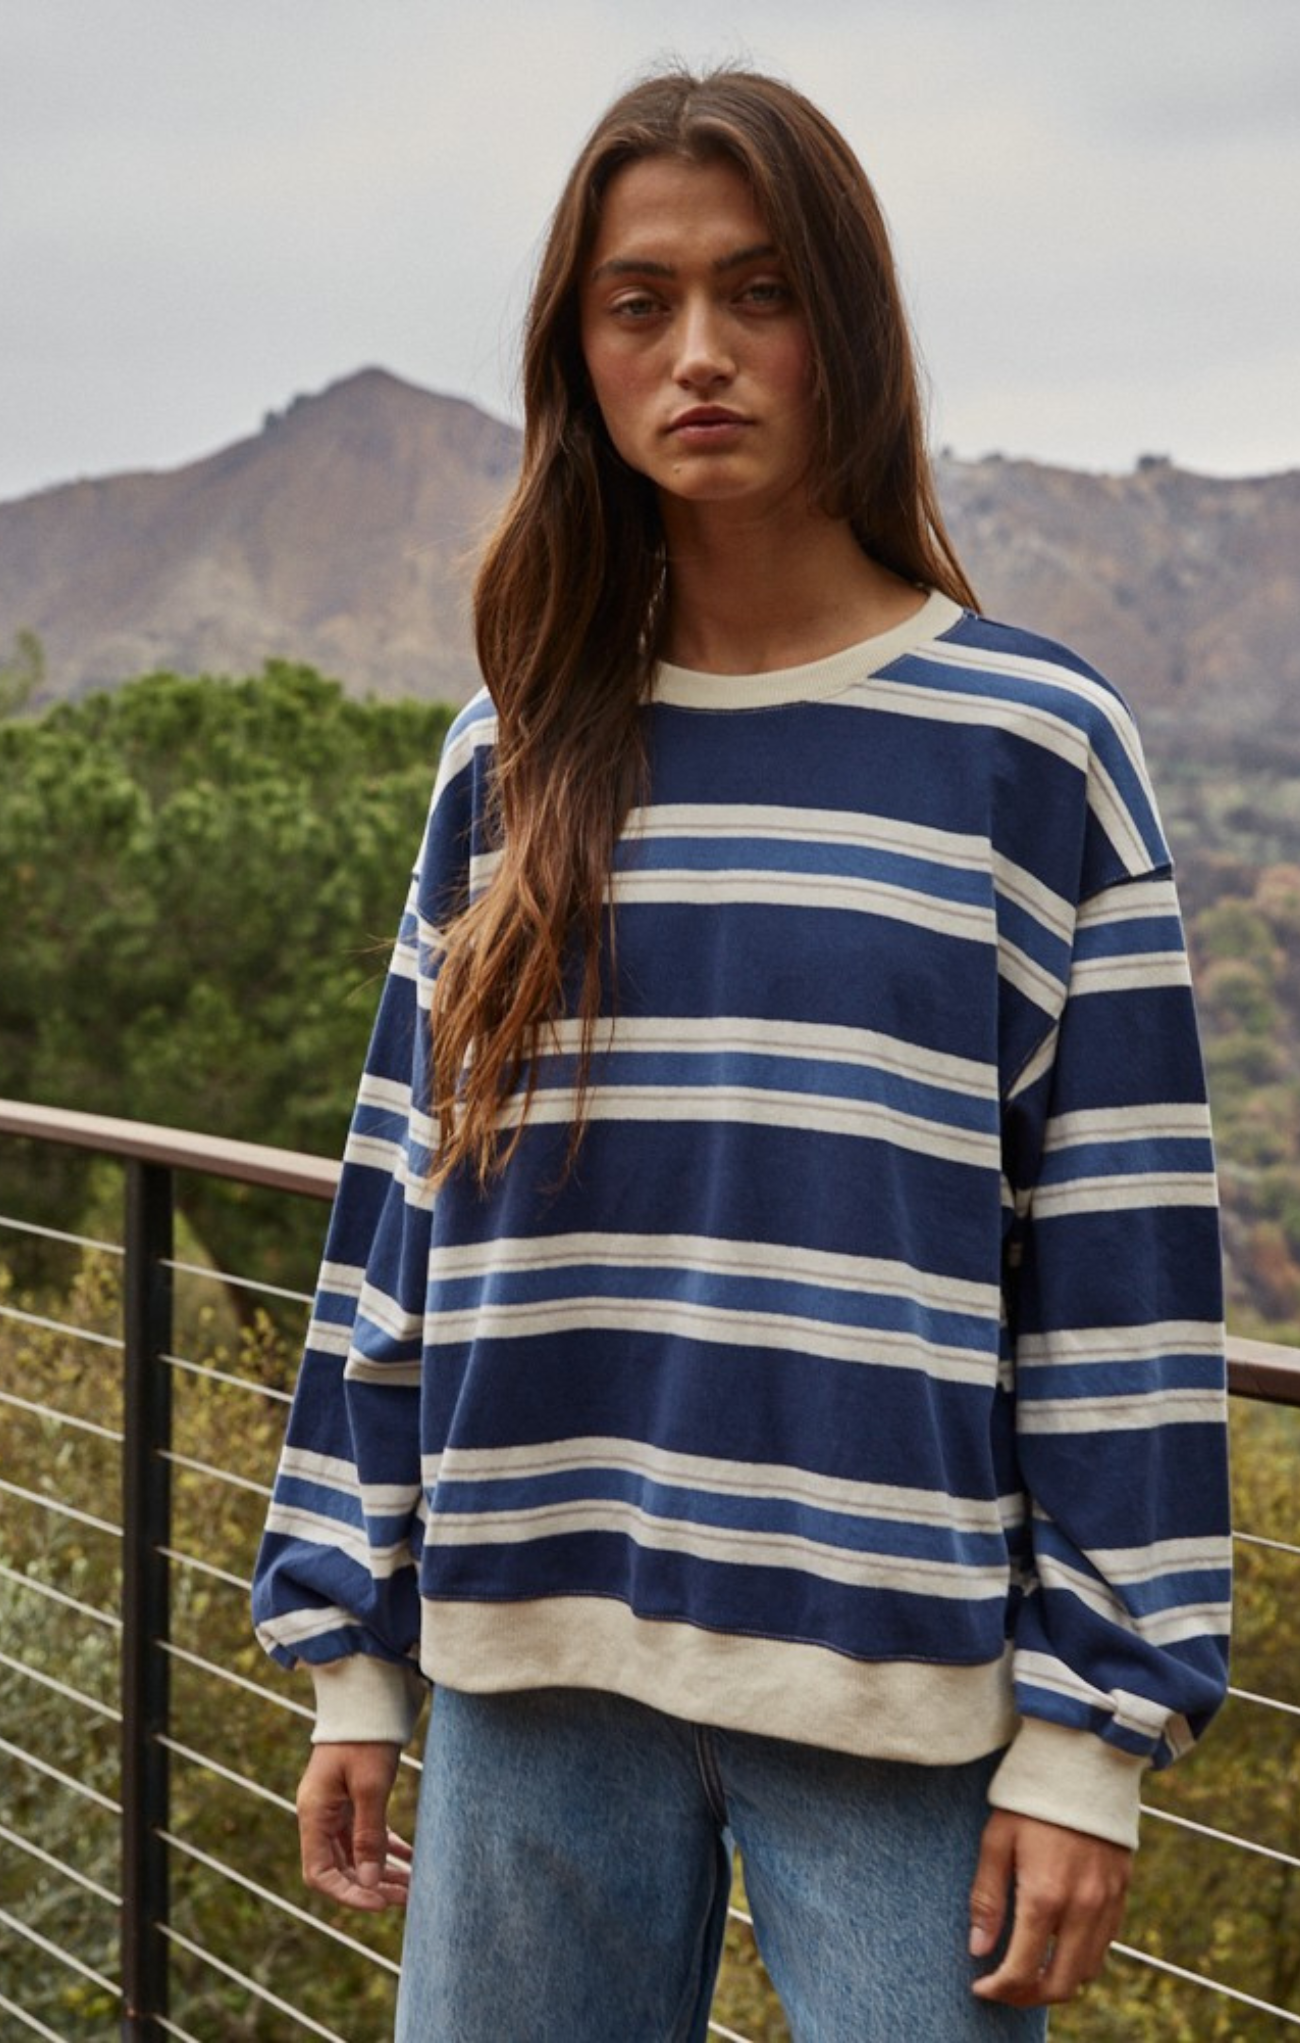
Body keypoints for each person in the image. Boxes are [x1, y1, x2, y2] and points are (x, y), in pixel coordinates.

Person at [252, 66, 1232, 2040]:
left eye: (757, 292)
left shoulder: (1028, 750)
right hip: (526, 1685)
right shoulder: (505, 755)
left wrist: (1084, 1738)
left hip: (893, 1703)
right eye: (637, 301)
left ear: (844, 333)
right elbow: (393, 1220)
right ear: (579, 350)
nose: (696, 351)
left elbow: (1120, 1288)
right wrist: (350, 1642)